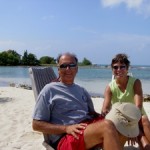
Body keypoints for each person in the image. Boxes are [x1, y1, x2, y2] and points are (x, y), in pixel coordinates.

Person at [32, 52, 123, 150]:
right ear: (58, 70)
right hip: (67, 137)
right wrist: (66, 128)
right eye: (63, 66)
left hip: (86, 129)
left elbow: (92, 114)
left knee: (121, 123)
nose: (68, 69)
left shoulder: (81, 90)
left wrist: (109, 116)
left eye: (72, 65)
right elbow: (36, 125)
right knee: (107, 126)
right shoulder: (49, 90)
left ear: (76, 69)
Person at [101, 53, 150, 150]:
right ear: (112, 70)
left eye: (122, 67)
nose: (118, 70)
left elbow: (138, 106)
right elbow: (105, 109)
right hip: (121, 119)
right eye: (115, 67)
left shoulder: (135, 82)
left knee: (144, 120)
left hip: (137, 116)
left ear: (127, 68)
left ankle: (141, 138)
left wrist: (132, 126)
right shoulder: (110, 88)